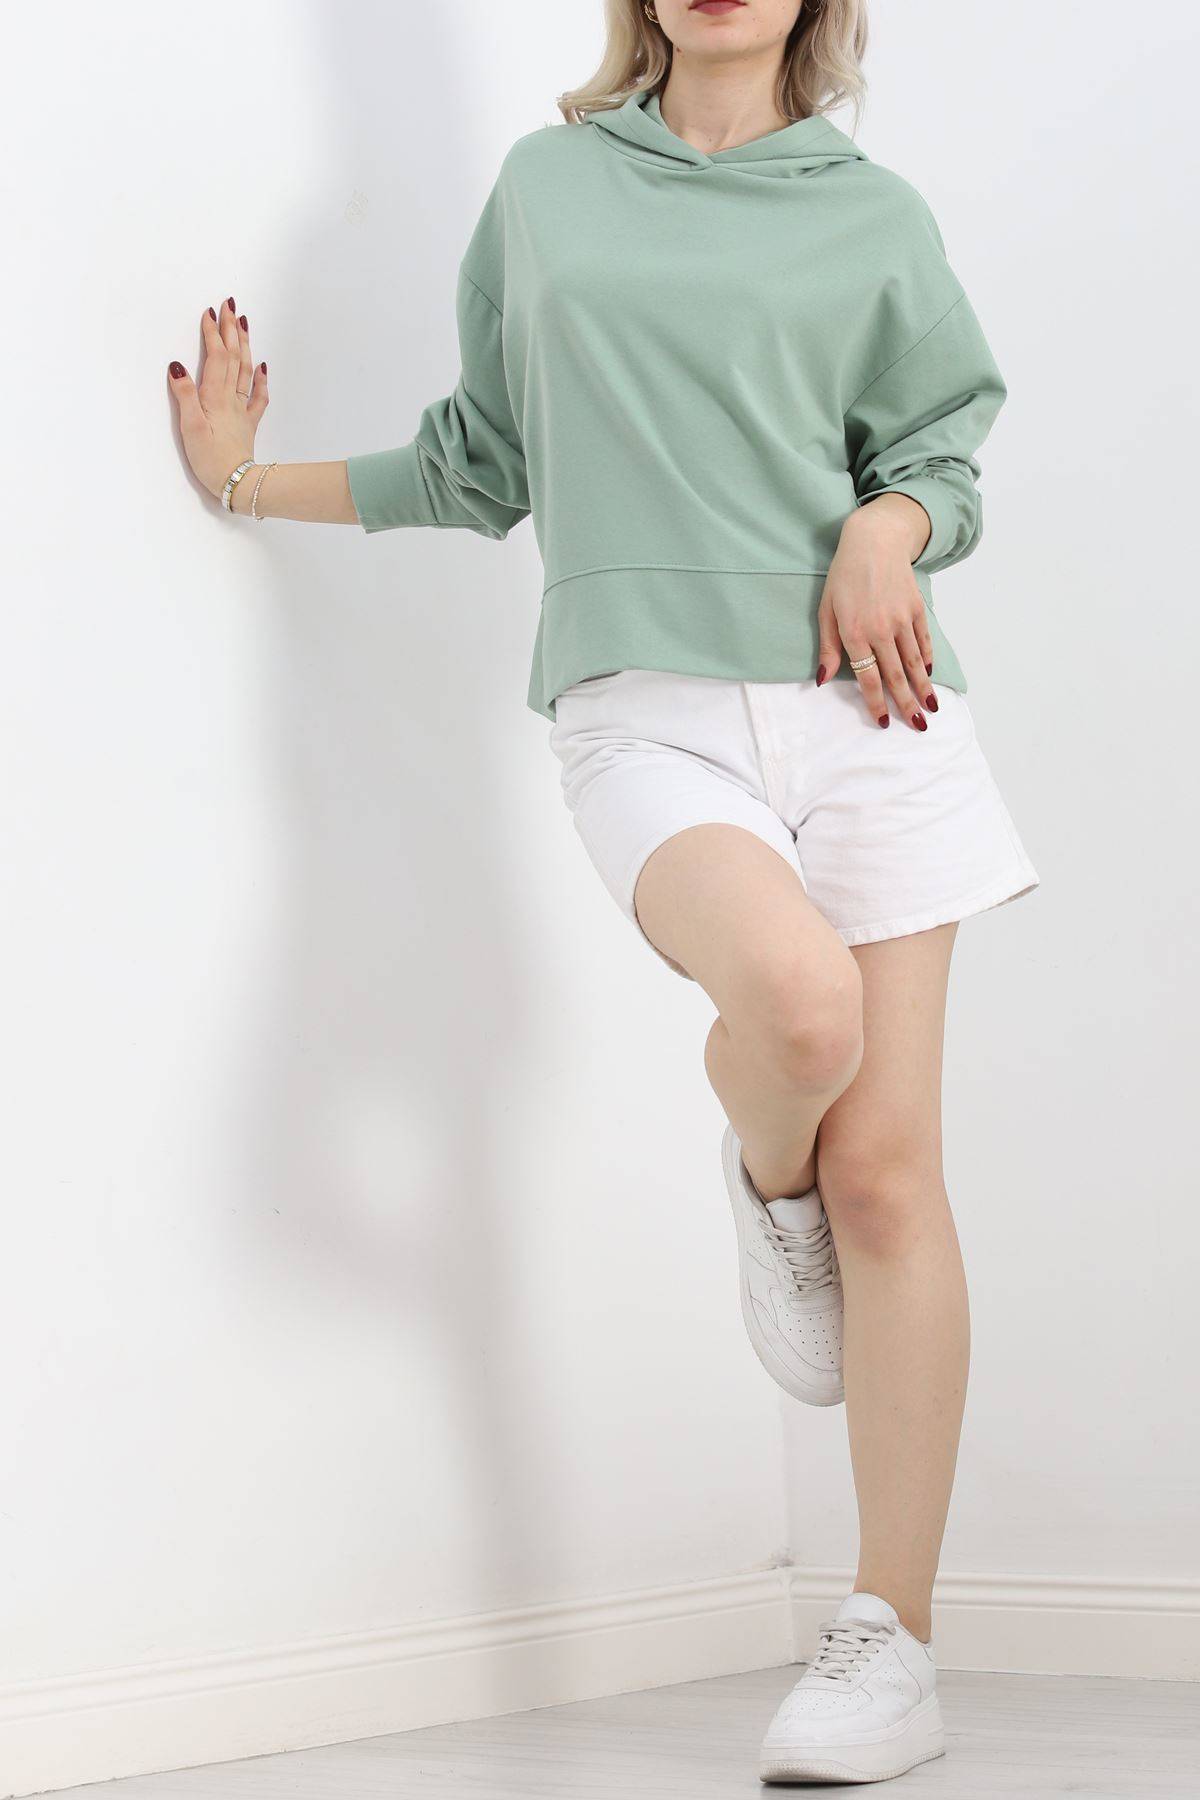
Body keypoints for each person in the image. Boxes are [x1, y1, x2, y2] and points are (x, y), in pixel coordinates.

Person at [167, 0, 1038, 1783]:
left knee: (892, 1173)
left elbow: (939, 460)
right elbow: (480, 462)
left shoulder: (871, 215)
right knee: (801, 1010)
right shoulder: (549, 191)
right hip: (649, 710)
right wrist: (243, 479)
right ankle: (767, 1165)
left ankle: (890, 1639)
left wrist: (888, 530)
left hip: (872, 708)